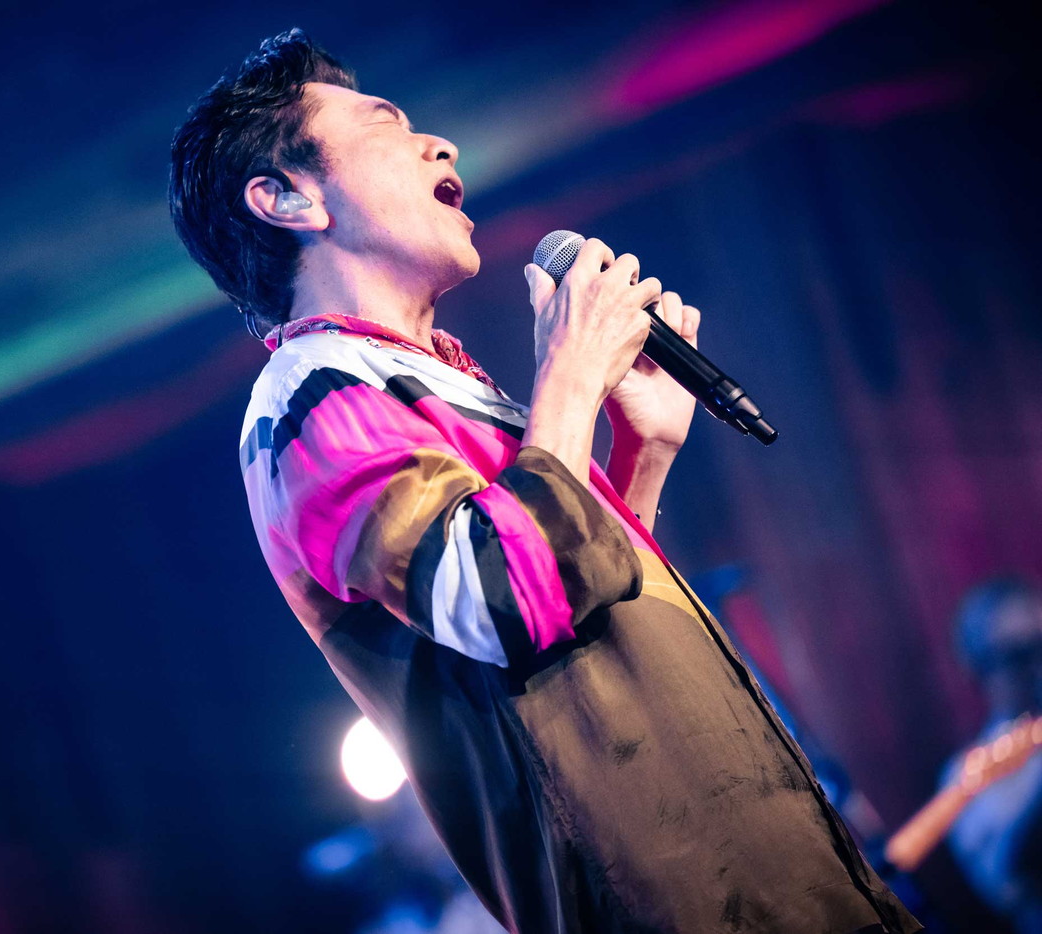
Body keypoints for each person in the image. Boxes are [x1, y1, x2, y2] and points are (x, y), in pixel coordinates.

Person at [169, 28, 920, 934]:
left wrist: (641, 456)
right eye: (386, 126)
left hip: (777, 878)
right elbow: (497, 600)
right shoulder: (311, 391)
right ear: (286, 198)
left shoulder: (430, 376)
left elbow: (586, 616)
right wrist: (569, 374)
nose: (440, 145)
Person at [945, 577, 1042, 932]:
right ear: (979, 668)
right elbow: (1009, 886)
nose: (1038, 665)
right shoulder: (966, 777)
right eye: (1019, 655)